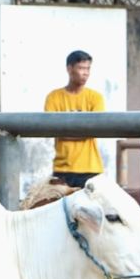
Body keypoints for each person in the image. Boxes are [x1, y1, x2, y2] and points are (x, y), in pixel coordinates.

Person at [44, 50, 104, 188]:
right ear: (69, 69)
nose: (86, 73)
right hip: (62, 168)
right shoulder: (54, 97)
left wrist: (65, 132)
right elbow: (52, 129)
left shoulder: (95, 97)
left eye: (88, 68)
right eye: (81, 68)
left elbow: (96, 128)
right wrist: (83, 132)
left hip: (91, 168)